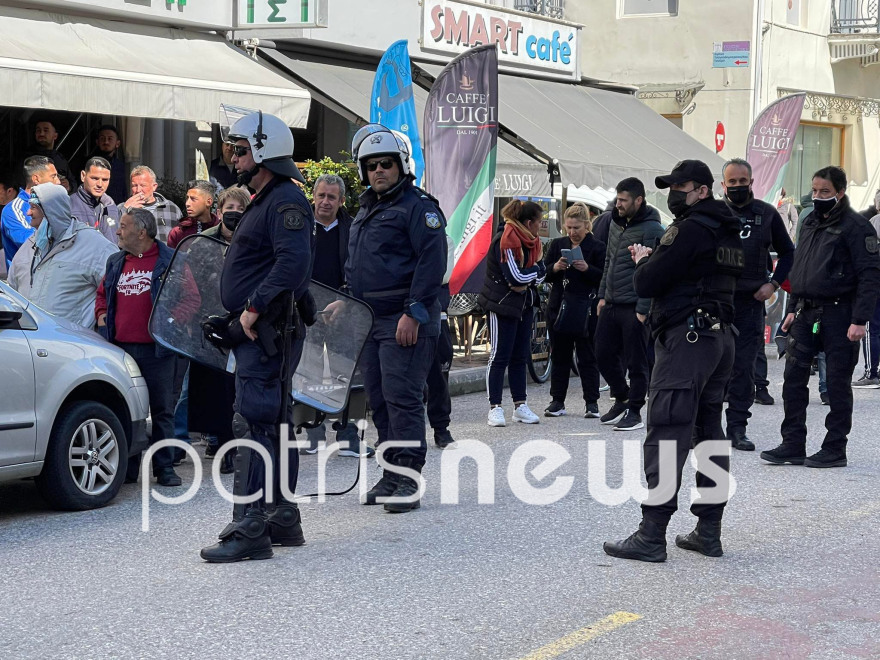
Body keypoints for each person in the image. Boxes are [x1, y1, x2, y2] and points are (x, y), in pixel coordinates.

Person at [603, 159, 743, 562]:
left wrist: (643, 259)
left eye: (681, 186)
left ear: (702, 189)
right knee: (708, 436)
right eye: (671, 186)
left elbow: (647, 281)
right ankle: (708, 530)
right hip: (720, 339)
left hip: (689, 341)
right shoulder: (730, 229)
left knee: (666, 431)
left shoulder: (689, 228)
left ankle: (651, 533)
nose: (673, 192)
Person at [200, 111, 314, 562]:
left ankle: (249, 528)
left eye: (242, 149)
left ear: (264, 151)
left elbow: (293, 265)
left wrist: (251, 308)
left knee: (253, 420)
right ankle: (280, 517)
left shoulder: (284, 200)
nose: (234, 156)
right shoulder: (266, 199)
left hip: (267, 330)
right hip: (266, 328)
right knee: (275, 422)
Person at [345, 124, 447, 513]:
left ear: (401, 165)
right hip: (370, 319)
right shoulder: (368, 207)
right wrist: (346, 298)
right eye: (371, 166)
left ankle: (407, 478)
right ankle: (390, 473)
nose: (378, 171)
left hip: (404, 318)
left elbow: (431, 263)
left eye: (386, 164)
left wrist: (414, 312)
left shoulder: (418, 207)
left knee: (402, 399)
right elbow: (360, 263)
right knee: (380, 401)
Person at [761, 166, 880, 468]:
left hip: (841, 314)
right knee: (792, 379)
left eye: (824, 191)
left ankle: (834, 448)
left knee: (838, 384)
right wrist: (791, 310)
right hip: (806, 312)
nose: (817, 196)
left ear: (840, 193)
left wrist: (860, 320)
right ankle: (792, 443)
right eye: (814, 190)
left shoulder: (857, 227)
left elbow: (869, 276)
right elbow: (802, 270)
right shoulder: (811, 223)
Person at [96, 209, 196, 487]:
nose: (117, 231)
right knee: (126, 409)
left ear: (141, 232)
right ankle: (128, 467)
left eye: (123, 226)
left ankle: (164, 468)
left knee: (162, 410)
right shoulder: (115, 261)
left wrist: (169, 322)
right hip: (122, 350)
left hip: (158, 350)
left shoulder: (171, 261)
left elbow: (191, 299)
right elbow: (102, 294)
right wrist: (102, 316)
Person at [720, 158, 795, 451]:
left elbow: (788, 253)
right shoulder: (711, 213)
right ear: (722, 184)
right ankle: (705, 427)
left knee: (742, 370)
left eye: (743, 181)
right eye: (732, 182)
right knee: (709, 368)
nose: (738, 186)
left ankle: (737, 429)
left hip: (749, 304)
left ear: (751, 182)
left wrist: (773, 284)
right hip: (715, 303)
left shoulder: (766, 213)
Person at [303, 173, 373, 458]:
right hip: (306, 308)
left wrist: (344, 300)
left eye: (332, 197)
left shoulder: (354, 227)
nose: (325, 202)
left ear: (342, 201)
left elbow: (360, 267)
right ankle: (311, 432)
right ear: (314, 196)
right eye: (321, 195)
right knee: (307, 373)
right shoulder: (301, 225)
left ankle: (348, 437)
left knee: (348, 375)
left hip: (344, 309)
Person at [595, 177, 665, 431]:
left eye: (624, 200)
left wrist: (643, 309)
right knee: (601, 353)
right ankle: (622, 397)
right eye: (618, 199)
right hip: (612, 302)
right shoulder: (615, 223)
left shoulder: (653, 230)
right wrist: (603, 295)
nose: (619, 204)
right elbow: (609, 262)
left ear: (639, 200)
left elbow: (656, 272)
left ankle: (634, 411)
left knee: (637, 361)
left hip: (635, 305)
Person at [7, 182, 116, 329]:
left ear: (51, 211)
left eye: (33, 207)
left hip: (75, 345)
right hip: (32, 344)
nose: (28, 213)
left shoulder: (95, 246)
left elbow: (117, 292)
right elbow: (12, 292)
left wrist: (104, 327)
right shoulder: (29, 246)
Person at [479, 199, 546, 427]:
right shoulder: (505, 240)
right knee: (499, 356)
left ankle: (520, 405)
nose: (540, 227)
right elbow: (514, 278)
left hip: (524, 303)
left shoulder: (532, 242)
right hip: (502, 304)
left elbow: (541, 272)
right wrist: (532, 274)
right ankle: (494, 407)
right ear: (528, 222)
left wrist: (531, 274)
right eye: (539, 222)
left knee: (520, 356)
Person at [543, 203, 606, 418]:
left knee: (587, 356)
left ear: (587, 226)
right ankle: (557, 401)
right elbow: (544, 273)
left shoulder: (597, 247)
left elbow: (603, 277)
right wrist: (555, 267)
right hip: (560, 306)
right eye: (569, 227)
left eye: (576, 227)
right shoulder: (557, 244)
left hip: (585, 307)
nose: (572, 232)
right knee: (560, 355)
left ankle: (591, 402)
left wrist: (587, 269)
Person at [2, 156, 59, 269]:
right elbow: (31, 244)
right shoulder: (13, 210)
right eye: (53, 176)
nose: (58, 182)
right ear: (36, 179)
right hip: (25, 282)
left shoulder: (55, 205)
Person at [120, 166, 182, 244]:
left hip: (164, 255)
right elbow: (113, 236)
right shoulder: (122, 208)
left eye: (143, 185)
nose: (138, 190)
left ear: (154, 186)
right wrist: (125, 210)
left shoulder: (171, 208)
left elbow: (180, 238)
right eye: (134, 186)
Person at [69, 157, 119, 244]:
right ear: (83, 176)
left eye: (105, 180)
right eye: (95, 178)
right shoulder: (69, 206)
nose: (100, 184)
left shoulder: (111, 206)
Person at [166, 180, 219, 249]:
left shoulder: (222, 230)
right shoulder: (178, 232)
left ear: (209, 202)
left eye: (193, 199)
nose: (187, 203)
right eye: (187, 198)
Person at [92, 125, 128, 205]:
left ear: (117, 143)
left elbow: (123, 192)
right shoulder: (88, 163)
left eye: (110, 139)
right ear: (97, 142)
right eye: (102, 138)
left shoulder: (120, 166)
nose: (106, 142)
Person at [30, 117, 70, 183]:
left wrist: (69, 186)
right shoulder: (27, 158)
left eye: (46, 130)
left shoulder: (61, 159)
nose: (41, 134)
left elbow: (73, 181)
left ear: (55, 136)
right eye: (38, 130)